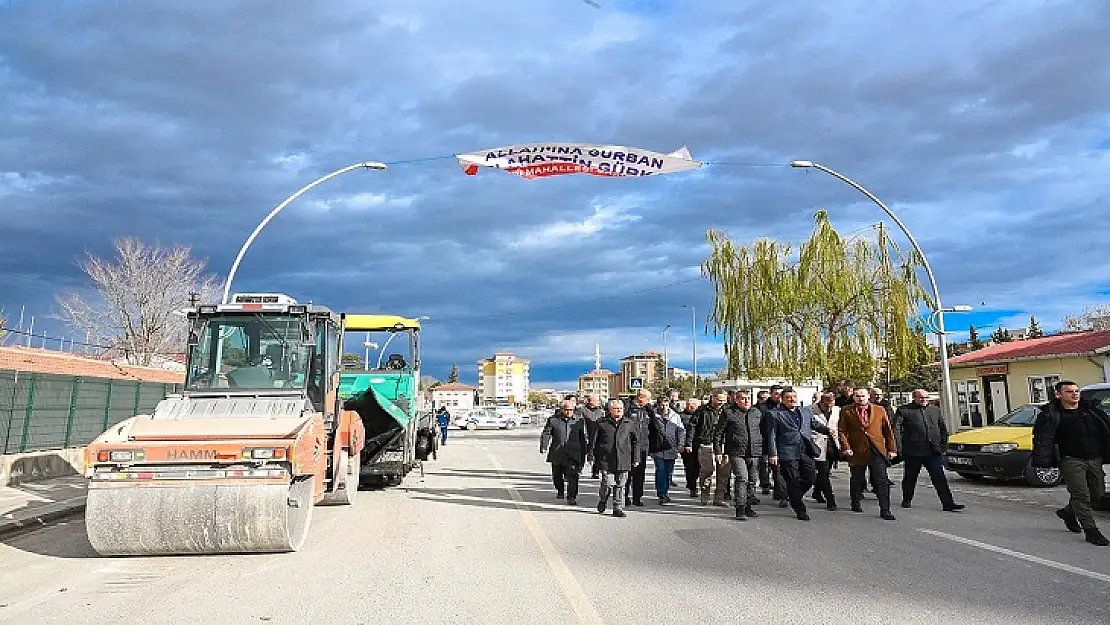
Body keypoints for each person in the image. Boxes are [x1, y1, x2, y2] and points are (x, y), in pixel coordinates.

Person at [1032, 380, 1110, 546]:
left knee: (1097, 495)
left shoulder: (1091, 411)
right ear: (1059, 395)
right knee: (1081, 494)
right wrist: (1043, 459)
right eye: (1069, 391)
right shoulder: (1051, 415)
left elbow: (1106, 430)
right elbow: (1043, 439)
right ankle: (1091, 531)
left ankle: (1068, 512)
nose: (1074, 394)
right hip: (1071, 459)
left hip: (1094, 458)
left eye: (1076, 391)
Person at [893, 389, 964, 512]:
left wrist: (944, 445)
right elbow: (896, 430)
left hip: (933, 451)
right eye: (921, 398)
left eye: (926, 397)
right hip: (913, 451)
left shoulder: (934, 410)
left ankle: (948, 503)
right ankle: (907, 499)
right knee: (910, 478)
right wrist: (899, 448)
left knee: (939, 477)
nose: (924, 400)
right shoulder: (904, 410)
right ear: (914, 397)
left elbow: (942, 428)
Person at [765, 388, 828, 521]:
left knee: (811, 477)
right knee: (793, 480)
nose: (792, 399)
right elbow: (771, 436)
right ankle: (800, 509)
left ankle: (793, 494)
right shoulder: (774, 414)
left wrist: (828, 431)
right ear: (782, 399)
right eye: (788, 397)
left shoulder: (805, 411)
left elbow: (814, 424)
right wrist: (773, 454)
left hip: (805, 450)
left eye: (794, 396)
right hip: (787, 452)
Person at [838, 387, 898, 520]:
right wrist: (846, 447)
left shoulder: (879, 410)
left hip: (876, 448)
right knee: (857, 478)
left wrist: (892, 449)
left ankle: (885, 510)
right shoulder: (846, 411)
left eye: (863, 396)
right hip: (857, 449)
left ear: (868, 397)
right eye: (857, 396)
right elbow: (841, 431)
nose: (860, 398)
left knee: (881, 479)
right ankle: (855, 502)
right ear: (853, 397)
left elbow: (888, 431)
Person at [715, 390, 763, 520]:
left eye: (748, 398)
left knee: (753, 480)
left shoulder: (756, 412)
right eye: (743, 398)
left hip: (754, 451)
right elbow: (718, 433)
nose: (746, 401)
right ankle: (740, 507)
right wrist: (718, 451)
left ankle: (748, 506)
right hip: (736, 451)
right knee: (742, 478)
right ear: (736, 400)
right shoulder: (729, 412)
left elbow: (763, 431)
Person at [591, 399, 640, 518]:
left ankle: (617, 508)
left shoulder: (630, 423)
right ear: (610, 410)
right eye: (616, 409)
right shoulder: (601, 423)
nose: (619, 410)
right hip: (605, 458)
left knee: (620, 485)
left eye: (621, 409)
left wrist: (636, 458)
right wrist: (591, 454)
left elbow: (636, 442)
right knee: (606, 483)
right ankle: (603, 499)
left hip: (623, 458)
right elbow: (594, 440)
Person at [540, 400, 589, 505]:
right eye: (566, 410)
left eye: (571, 410)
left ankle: (571, 497)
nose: (569, 412)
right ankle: (560, 490)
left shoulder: (579, 421)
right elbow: (546, 433)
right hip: (558, 452)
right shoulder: (553, 420)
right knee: (557, 475)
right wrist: (544, 446)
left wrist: (585, 451)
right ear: (562, 409)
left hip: (573, 453)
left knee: (573, 475)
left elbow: (583, 438)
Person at [686, 391, 729, 506]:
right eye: (719, 399)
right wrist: (689, 443)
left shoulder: (728, 411)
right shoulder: (702, 410)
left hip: (723, 444)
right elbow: (692, 427)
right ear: (713, 398)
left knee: (723, 473)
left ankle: (719, 498)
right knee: (707, 471)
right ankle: (705, 496)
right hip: (706, 443)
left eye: (723, 400)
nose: (721, 402)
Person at [807, 391, 840, 511]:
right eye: (826, 405)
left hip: (832, 445)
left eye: (831, 405)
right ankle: (830, 500)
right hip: (817, 444)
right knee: (823, 472)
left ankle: (816, 492)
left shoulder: (837, 410)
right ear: (821, 402)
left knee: (824, 472)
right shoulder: (810, 410)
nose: (829, 408)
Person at [757, 385, 787, 506]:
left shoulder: (785, 407)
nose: (778, 396)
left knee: (779, 469)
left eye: (780, 394)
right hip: (765, 441)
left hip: (782, 443)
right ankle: (766, 484)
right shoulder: (763, 408)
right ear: (771, 394)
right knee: (765, 465)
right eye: (776, 393)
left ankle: (780, 493)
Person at [625, 390, 656, 507]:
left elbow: (653, 426)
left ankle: (637, 497)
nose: (648, 402)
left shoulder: (647, 410)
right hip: (629, 446)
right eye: (647, 399)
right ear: (640, 398)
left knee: (640, 475)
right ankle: (625, 496)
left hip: (643, 447)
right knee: (628, 474)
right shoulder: (628, 408)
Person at [652, 400, 685, 504]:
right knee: (660, 470)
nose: (664, 407)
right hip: (658, 449)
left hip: (671, 448)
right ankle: (661, 494)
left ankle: (665, 492)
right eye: (662, 405)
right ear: (658, 405)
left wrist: (681, 444)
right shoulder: (653, 415)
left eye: (666, 405)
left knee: (668, 472)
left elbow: (681, 431)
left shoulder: (675, 416)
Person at [576, 395, 606, 479]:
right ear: (590, 401)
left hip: (596, 435)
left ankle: (595, 471)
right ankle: (579, 468)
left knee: (596, 453)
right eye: (595, 401)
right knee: (582, 452)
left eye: (597, 401)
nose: (597, 402)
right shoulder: (581, 410)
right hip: (584, 434)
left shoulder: (601, 411)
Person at [678, 398, 701, 497]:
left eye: (693, 405)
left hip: (699, 445)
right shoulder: (681, 416)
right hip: (686, 446)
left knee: (698, 467)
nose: (690, 407)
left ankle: (693, 481)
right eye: (688, 405)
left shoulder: (700, 416)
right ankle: (692, 487)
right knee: (689, 467)